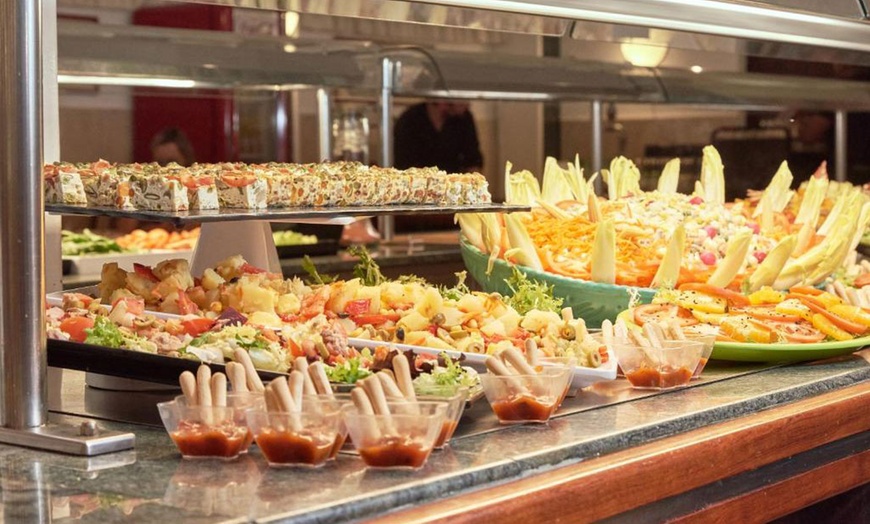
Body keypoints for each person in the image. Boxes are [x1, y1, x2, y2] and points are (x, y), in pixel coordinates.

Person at [394, 101, 483, 173]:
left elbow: (473, 160)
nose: (468, 103)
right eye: (462, 98)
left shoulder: (464, 118)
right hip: (419, 188)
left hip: (454, 187)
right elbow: (404, 166)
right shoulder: (409, 119)